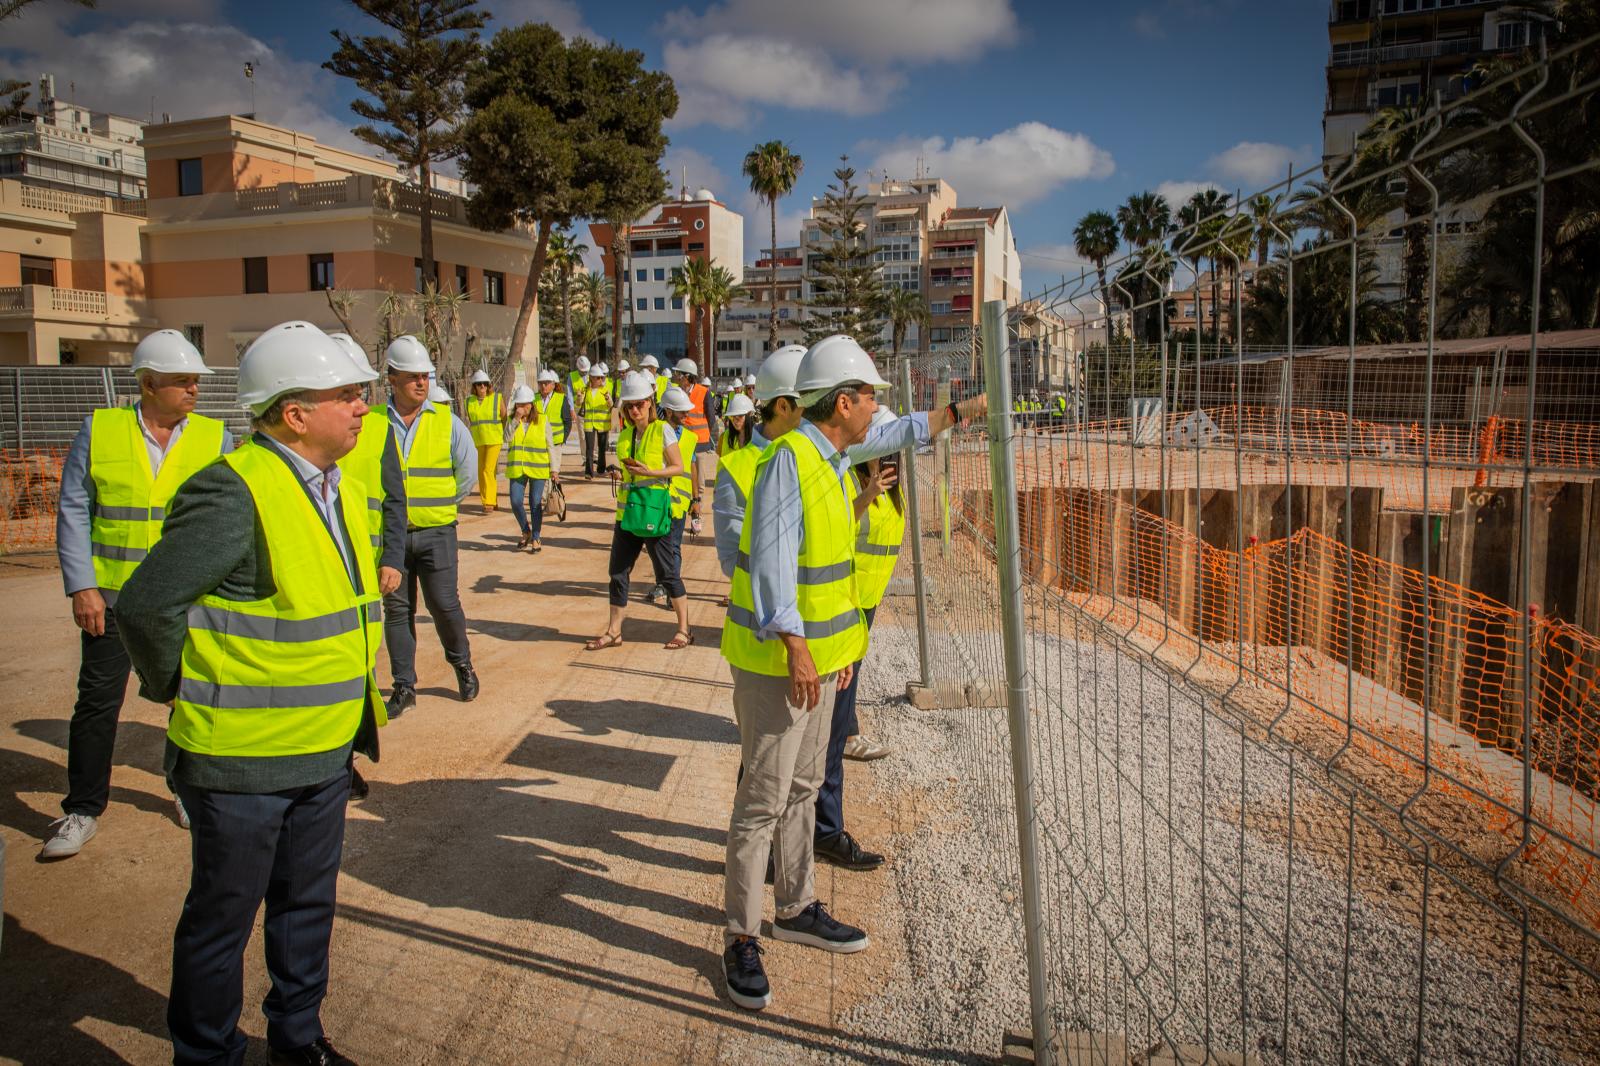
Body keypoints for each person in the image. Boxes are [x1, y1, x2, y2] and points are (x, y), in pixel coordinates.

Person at [114, 320, 382, 1066]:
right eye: (347, 395)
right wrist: (178, 684)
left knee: (305, 912)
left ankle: (297, 1042)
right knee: (221, 923)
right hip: (241, 765)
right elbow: (144, 605)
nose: (363, 406)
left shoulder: (343, 489)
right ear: (295, 413)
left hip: (324, 757)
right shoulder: (233, 491)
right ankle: (206, 1054)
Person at [717, 336, 986, 1011]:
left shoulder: (835, 454)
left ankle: (798, 904)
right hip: (779, 663)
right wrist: (800, 649)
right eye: (869, 397)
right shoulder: (791, 461)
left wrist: (965, 410)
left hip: (818, 662)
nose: (877, 411)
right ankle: (740, 938)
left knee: (805, 787)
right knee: (761, 802)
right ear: (844, 402)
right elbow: (777, 565)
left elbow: (901, 431)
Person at [42, 329, 233, 860]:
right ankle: (82, 808)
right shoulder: (99, 430)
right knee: (98, 702)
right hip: (113, 596)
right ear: (148, 384)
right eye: (182, 382)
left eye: (197, 381)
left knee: (190, 699)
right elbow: (74, 509)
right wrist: (82, 585)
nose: (194, 390)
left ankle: (185, 790)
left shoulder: (215, 438)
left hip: (186, 598)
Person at [380, 335, 478, 719]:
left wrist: (440, 505)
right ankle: (404, 685)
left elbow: (466, 474)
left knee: (444, 604)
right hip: (393, 536)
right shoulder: (374, 423)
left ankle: (462, 665)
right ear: (391, 379)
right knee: (397, 611)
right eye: (412, 377)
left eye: (424, 376)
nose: (421, 383)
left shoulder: (446, 422)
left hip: (436, 532)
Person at [585, 372, 690, 652]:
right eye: (629, 406)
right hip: (628, 514)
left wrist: (649, 471)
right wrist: (620, 473)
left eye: (640, 404)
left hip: (654, 512)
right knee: (617, 573)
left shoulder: (662, 430)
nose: (634, 410)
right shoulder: (626, 434)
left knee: (667, 574)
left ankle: (683, 630)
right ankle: (614, 631)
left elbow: (677, 467)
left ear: (650, 403)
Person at [647, 385, 700, 610]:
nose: (686, 416)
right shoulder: (653, 431)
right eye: (682, 412)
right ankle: (663, 584)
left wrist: (696, 500)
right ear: (668, 412)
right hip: (657, 499)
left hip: (679, 501)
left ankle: (671, 591)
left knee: (674, 546)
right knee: (658, 547)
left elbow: (693, 467)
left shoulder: (690, 437)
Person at [506, 383, 556, 553]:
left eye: (524, 405)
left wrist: (554, 469)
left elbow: (550, 445)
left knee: (535, 503)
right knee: (515, 501)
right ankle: (525, 530)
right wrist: (515, 420)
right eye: (519, 405)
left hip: (538, 468)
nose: (522, 408)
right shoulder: (512, 420)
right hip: (518, 468)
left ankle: (536, 537)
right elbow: (506, 437)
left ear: (531, 404)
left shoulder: (542, 420)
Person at [671, 359, 713, 535]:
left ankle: (696, 516)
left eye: (679, 375)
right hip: (680, 442)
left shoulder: (704, 392)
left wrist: (713, 440)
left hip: (700, 443)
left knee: (699, 483)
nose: (677, 377)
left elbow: (711, 417)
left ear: (688, 377)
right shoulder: (675, 392)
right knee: (680, 480)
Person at [465, 369, 504, 513]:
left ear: (489, 386)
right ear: (474, 386)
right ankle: (492, 499)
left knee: (487, 469)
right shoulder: (469, 401)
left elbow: (504, 417)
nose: (482, 387)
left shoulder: (497, 398)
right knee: (482, 471)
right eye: (479, 384)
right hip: (479, 440)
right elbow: (471, 420)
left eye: (485, 384)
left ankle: (488, 502)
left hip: (494, 439)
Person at [580, 364, 612, 480]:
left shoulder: (605, 390)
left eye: (601, 377)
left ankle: (601, 468)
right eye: (598, 377)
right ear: (591, 378)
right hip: (589, 423)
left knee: (602, 447)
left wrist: (608, 399)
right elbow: (579, 403)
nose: (600, 380)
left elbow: (611, 405)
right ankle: (588, 472)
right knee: (589, 448)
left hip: (602, 423)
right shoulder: (585, 390)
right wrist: (579, 397)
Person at [537, 368, 572, 451]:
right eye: (540, 383)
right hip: (538, 442)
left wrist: (563, 439)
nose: (543, 386)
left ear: (553, 385)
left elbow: (567, 422)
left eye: (546, 383)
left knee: (554, 464)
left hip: (555, 442)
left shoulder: (561, 399)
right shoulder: (533, 399)